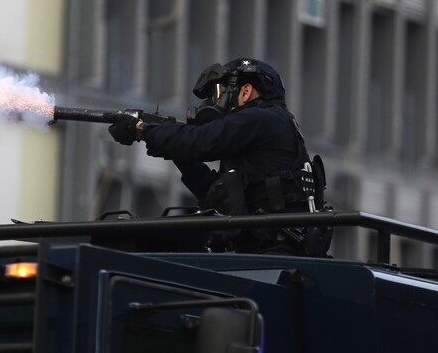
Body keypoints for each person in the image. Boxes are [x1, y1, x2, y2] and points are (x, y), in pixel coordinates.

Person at [108, 58, 332, 256]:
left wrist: (143, 129)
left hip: (277, 254)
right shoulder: (259, 135)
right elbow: (214, 193)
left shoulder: (263, 119)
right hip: (261, 251)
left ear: (245, 92)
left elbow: (202, 142)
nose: (214, 104)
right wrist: (170, 145)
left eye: (220, 93)